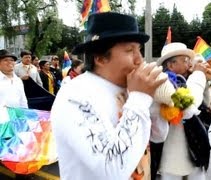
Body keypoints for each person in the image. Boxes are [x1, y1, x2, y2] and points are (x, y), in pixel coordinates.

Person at [50, 12, 167, 180]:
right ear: (100, 58)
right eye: (129, 50)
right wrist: (140, 98)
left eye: (139, 50)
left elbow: (158, 136)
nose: (139, 60)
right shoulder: (75, 95)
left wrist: (155, 100)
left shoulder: (131, 88)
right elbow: (112, 169)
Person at [154, 43, 211, 180]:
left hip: (192, 146)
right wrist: (199, 74)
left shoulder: (185, 80)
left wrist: (207, 82)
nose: (189, 64)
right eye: (185, 60)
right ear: (170, 65)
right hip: (172, 150)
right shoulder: (164, 82)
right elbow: (190, 104)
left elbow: (205, 105)